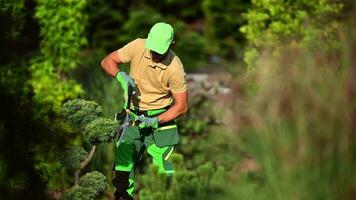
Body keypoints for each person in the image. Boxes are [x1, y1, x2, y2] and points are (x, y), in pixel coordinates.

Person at [100, 22, 188, 200]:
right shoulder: (138, 46)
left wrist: (155, 121)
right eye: (153, 49)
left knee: (165, 171)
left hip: (160, 121)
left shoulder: (175, 69)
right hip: (132, 116)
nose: (154, 54)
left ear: (171, 45)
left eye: (159, 51)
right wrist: (120, 76)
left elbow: (181, 106)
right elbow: (107, 61)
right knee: (123, 167)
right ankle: (123, 197)